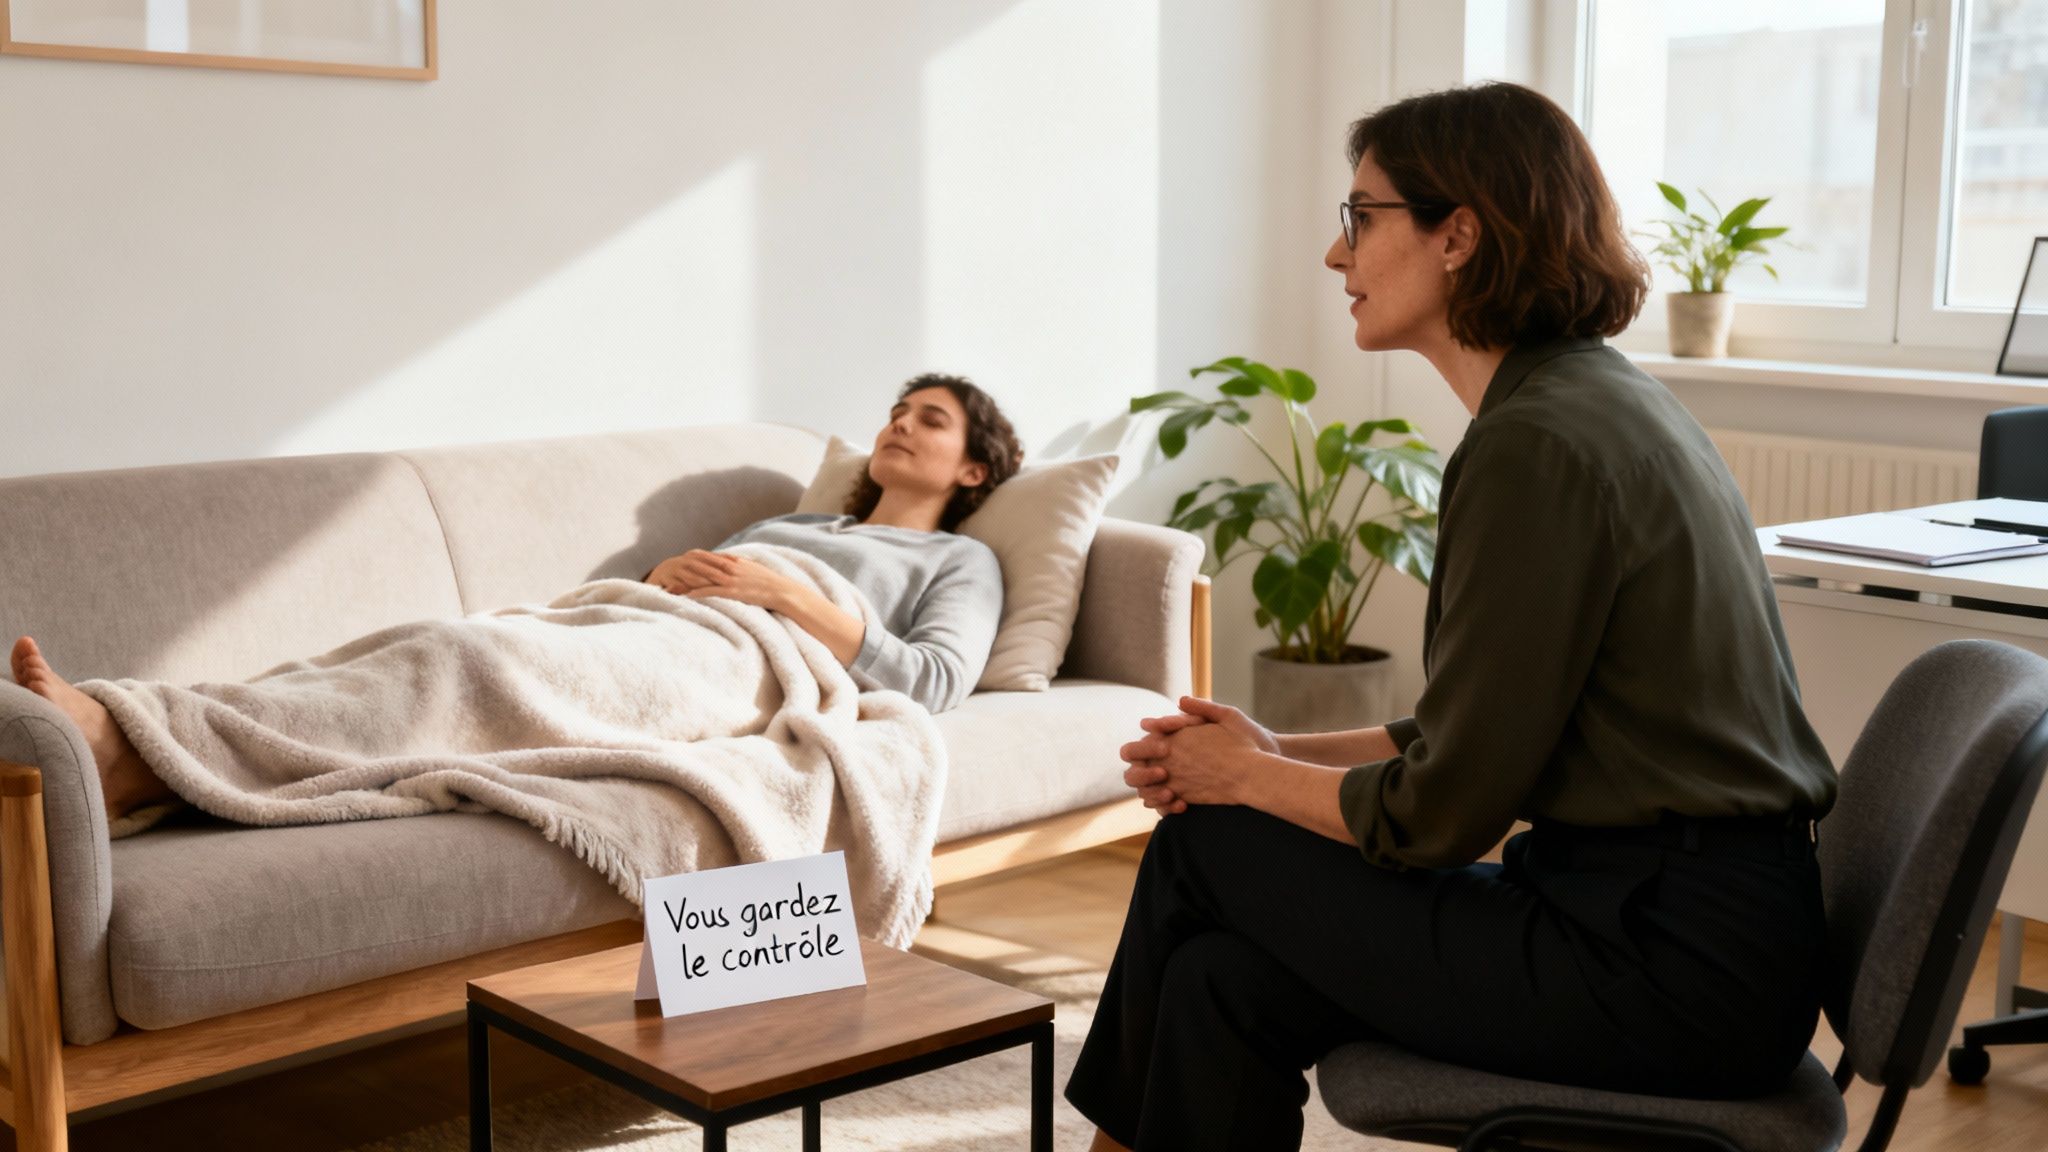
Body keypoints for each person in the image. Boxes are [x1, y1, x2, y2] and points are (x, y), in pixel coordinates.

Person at [1065, 82, 1839, 1151]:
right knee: (1217, 979)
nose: (1335, 257)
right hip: (1673, 929)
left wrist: (1238, 780)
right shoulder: (1587, 401)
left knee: (1205, 849)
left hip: (1668, 968)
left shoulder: (1537, 446)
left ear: (1458, 235)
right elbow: (1473, 732)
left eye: (1359, 218)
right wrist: (1269, 747)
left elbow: (1438, 816)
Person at [12, 372, 1020, 822]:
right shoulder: (799, 526)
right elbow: (668, 587)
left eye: (927, 420)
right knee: (433, 642)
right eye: (894, 410)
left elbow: (931, 681)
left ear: (971, 470)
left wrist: (784, 599)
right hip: (662, 623)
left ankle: (129, 743)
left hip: (755, 660)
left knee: (470, 668)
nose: (898, 424)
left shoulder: (957, 566)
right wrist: (663, 576)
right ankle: (144, 742)